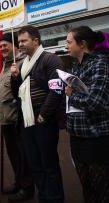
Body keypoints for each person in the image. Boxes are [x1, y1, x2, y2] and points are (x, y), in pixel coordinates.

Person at [11, 25, 65, 202]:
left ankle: (55, 198)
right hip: (27, 123)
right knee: (35, 164)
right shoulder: (22, 65)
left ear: (36, 40)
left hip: (44, 121)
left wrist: (43, 115)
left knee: (49, 164)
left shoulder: (51, 59)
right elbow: (17, 94)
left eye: (24, 40)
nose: (20, 44)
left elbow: (56, 90)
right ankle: (44, 197)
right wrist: (15, 77)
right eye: (19, 41)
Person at [65, 26, 109, 202]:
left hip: (96, 137)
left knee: (102, 189)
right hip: (77, 136)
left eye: (69, 42)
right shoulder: (76, 66)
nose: (66, 46)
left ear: (82, 44)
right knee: (87, 187)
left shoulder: (101, 64)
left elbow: (95, 101)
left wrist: (71, 96)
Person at [0, 32, 34, 200]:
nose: (2, 48)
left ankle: (27, 188)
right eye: (0, 46)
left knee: (23, 155)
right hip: (5, 119)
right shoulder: (4, 65)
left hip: (17, 118)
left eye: (5, 44)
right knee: (13, 155)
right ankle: (19, 182)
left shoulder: (22, 63)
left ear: (15, 46)